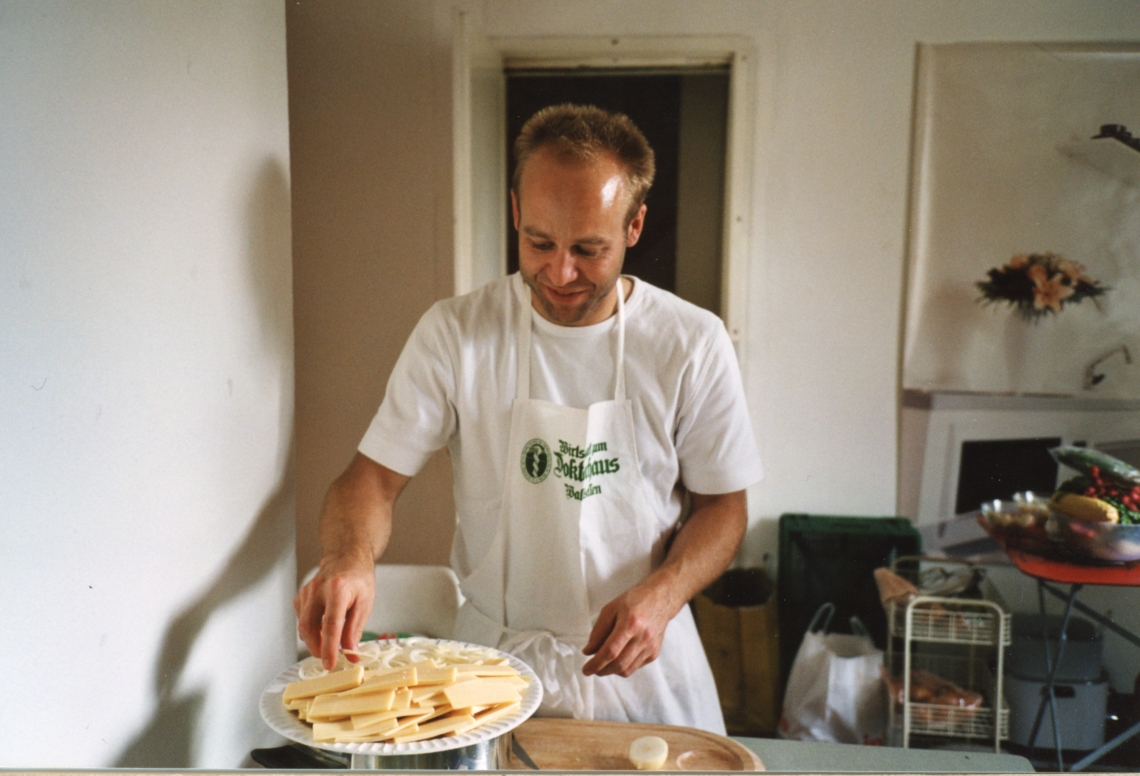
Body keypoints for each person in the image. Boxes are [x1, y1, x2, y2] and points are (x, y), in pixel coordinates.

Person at [294, 104, 762, 734]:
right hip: (492, 673)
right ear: (515, 212)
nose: (560, 272)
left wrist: (666, 593)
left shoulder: (690, 342)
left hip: (643, 668)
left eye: (588, 249)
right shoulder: (456, 334)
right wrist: (348, 557)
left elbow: (722, 507)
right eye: (539, 242)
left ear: (635, 226)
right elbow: (371, 480)